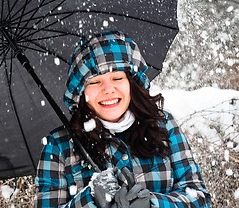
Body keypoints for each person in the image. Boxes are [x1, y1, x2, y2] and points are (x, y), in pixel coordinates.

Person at [34, 31, 211, 207]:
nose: (108, 89)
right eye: (95, 82)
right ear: (81, 92)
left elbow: (198, 197)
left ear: (131, 83)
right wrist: (90, 200)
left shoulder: (163, 126)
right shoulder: (59, 145)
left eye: (117, 77)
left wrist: (152, 204)